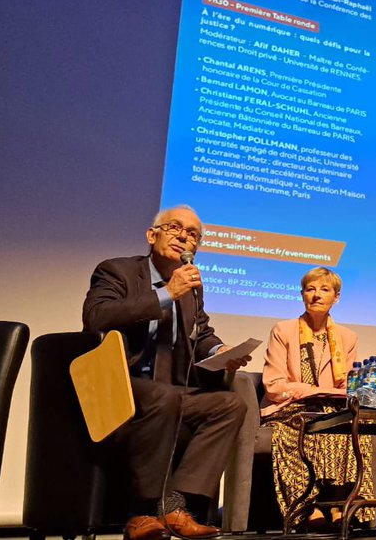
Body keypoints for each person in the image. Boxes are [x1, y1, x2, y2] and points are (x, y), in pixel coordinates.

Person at [82, 205, 251, 540]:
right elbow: (96, 317)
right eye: (175, 227)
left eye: (192, 234)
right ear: (152, 235)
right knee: (164, 395)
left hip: (170, 390)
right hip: (121, 383)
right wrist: (164, 294)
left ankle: (175, 504)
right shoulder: (117, 271)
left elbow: (201, 332)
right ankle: (141, 512)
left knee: (230, 405)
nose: (183, 237)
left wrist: (221, 352)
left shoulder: (192, 288)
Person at [260, 267, 376, 530]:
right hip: (289, 407)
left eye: (324, 289)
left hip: (328, 407)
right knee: (302, 428)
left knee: (356, 426)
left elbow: (349, 387)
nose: (316, 295)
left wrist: (322, 393)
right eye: (310, 289)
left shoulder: (347, 337)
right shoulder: (283, 330)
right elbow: (273, 385)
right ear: (302, 295)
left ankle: (338, 504)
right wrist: (308, 391)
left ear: (336, 297)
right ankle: (307, 507)